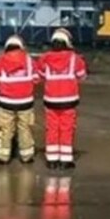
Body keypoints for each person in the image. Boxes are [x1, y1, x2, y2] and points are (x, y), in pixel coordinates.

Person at [36, 28, 86, 170]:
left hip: (50, 100)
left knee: (52, 128)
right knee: (66, 129)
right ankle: (65, 160)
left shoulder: (44, 58)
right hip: (69, 100)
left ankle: (51, 159)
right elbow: (81, 75)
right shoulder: (75, 58)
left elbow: (40, 75)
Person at [0, 35, 39, 164]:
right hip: (26, 102)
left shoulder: (1, 61)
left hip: (6, 102)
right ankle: (26, 156)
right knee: (25, 128)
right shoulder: (29, 61)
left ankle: (3, 157)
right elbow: (36, 79)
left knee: (5, 129)